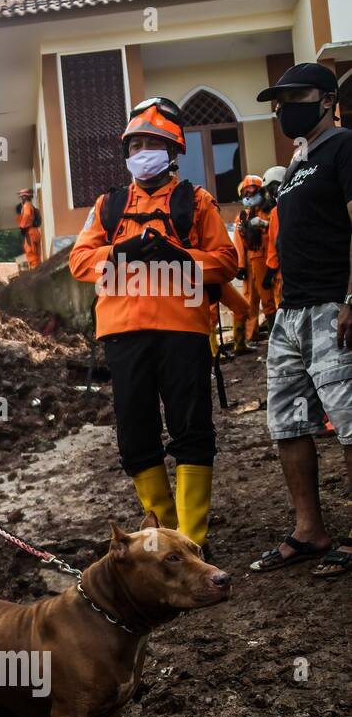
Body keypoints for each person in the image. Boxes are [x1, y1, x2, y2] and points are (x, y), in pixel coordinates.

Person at [69, 96, 239, 550]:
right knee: (136, 437)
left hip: (182, 332)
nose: (141, 151)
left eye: (151, 142)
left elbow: (227, 261)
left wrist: (181, 257)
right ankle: (166, 537)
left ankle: (192, 539)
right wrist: (118, 253)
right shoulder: (109, 205)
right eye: (134, 144)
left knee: (192, 431)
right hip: (123, 336)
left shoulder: (196, 202)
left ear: (172, 149)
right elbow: (79, 260)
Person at [248, 63, 352, 579]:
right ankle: (309, 530)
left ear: (328, 99)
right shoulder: (296, 164)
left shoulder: (344, 146)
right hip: (290, 315)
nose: (286, 106)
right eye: (280, 99)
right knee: (286, 421)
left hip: (333, 307)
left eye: (298, 95)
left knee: (350, 422)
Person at [231, 174, 269, 353]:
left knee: (272, 298)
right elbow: (239, 243)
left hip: (269, 259)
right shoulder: (243, 216)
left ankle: (276, 332)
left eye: (252, 191)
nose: (249, 195)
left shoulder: (269, 211)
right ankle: (246, 337)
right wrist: (240, 266)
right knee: (249, 300)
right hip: (251, 260)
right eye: (246, 192)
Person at [259, 164, 289, 332]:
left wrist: (269, 272)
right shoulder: (294, 205)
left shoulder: (277, 211)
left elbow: (276, 244)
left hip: (282, 274)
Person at [17, 188, 43, 268]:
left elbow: (27, 215)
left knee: (30, 252)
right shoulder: (31, 206)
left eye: (22, 197)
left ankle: (35, 270)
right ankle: (39, 269)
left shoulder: (27, 205)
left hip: (30, 232)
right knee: (37, 254)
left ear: (25, 197)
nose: (21, 199)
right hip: (35, 232)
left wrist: (22, 226)